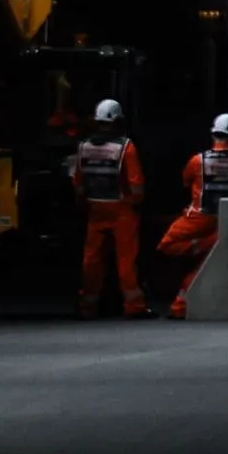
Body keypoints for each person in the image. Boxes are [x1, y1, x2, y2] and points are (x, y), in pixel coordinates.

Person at [69, 99, 146, 320]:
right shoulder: (126, 147)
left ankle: (88, 306)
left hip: (95, 209)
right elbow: (136, 184)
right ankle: (134, 306)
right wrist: (136, 204)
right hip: (122, 209)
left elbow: (78, 183)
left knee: (91, 260)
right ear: (118, 120)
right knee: (126, 260)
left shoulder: (83, 147)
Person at [157, 114, 228, 317]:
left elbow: (185, 182)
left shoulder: (197, 160)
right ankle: (211, 244)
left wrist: (197, 245)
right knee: (207, 262)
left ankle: (205, 246)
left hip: (199, 218)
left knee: (167, 244)